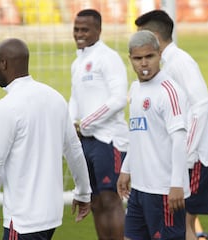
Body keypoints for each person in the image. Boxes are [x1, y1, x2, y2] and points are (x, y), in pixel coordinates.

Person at [0, 38, 92, 240]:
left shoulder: (5, 108)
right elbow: (74, 150)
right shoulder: (55, 98)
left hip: (23, 220)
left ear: (4, 63)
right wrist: (83, 193)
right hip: (51, 216)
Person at [134, 10, 208, 240]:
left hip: (197, 157)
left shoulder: (180, 62)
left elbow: (200, 105)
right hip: (188, 157)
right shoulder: (165, 64)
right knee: (182, 224)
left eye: (141, 36)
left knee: (183, 223)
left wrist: (185, 153)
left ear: (154, 35)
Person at [117, 30, 190, 240]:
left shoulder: (169, 91)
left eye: (149, 57)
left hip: (164, 191)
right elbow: (139, 134)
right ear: (130, 59)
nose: (144, 63)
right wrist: (126, 168)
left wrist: (176, 184)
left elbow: (179, 140)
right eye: (138, 58)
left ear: (159, 55)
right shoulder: (137, 90)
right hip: (139, 189)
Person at [69, 9, 129, 239]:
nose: (79, 34)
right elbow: (75, 98)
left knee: (110, 199)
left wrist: (85, 123)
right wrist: (68, 125)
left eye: (85, 29)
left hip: (108, 139)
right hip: (85, 141)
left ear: (98, 30)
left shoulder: (108, 57)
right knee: (94, 201)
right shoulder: (78, 62)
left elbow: (118, 99)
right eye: (76, 29)